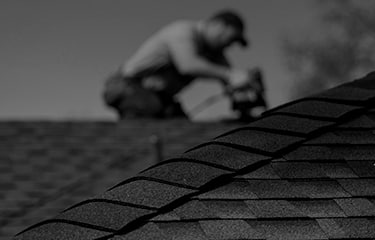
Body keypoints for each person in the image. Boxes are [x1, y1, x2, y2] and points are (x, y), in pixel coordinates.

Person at [104, 9, 258, 119]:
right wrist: (230, 75)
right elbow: (188, 65)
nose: (229, 45)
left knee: (181, 127)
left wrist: (244, 97)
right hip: (125, 85)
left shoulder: (215, 53)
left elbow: (229, 80)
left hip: (158, 96)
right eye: (229, 39)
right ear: (218, 25)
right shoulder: (183, 31)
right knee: (152, 112)